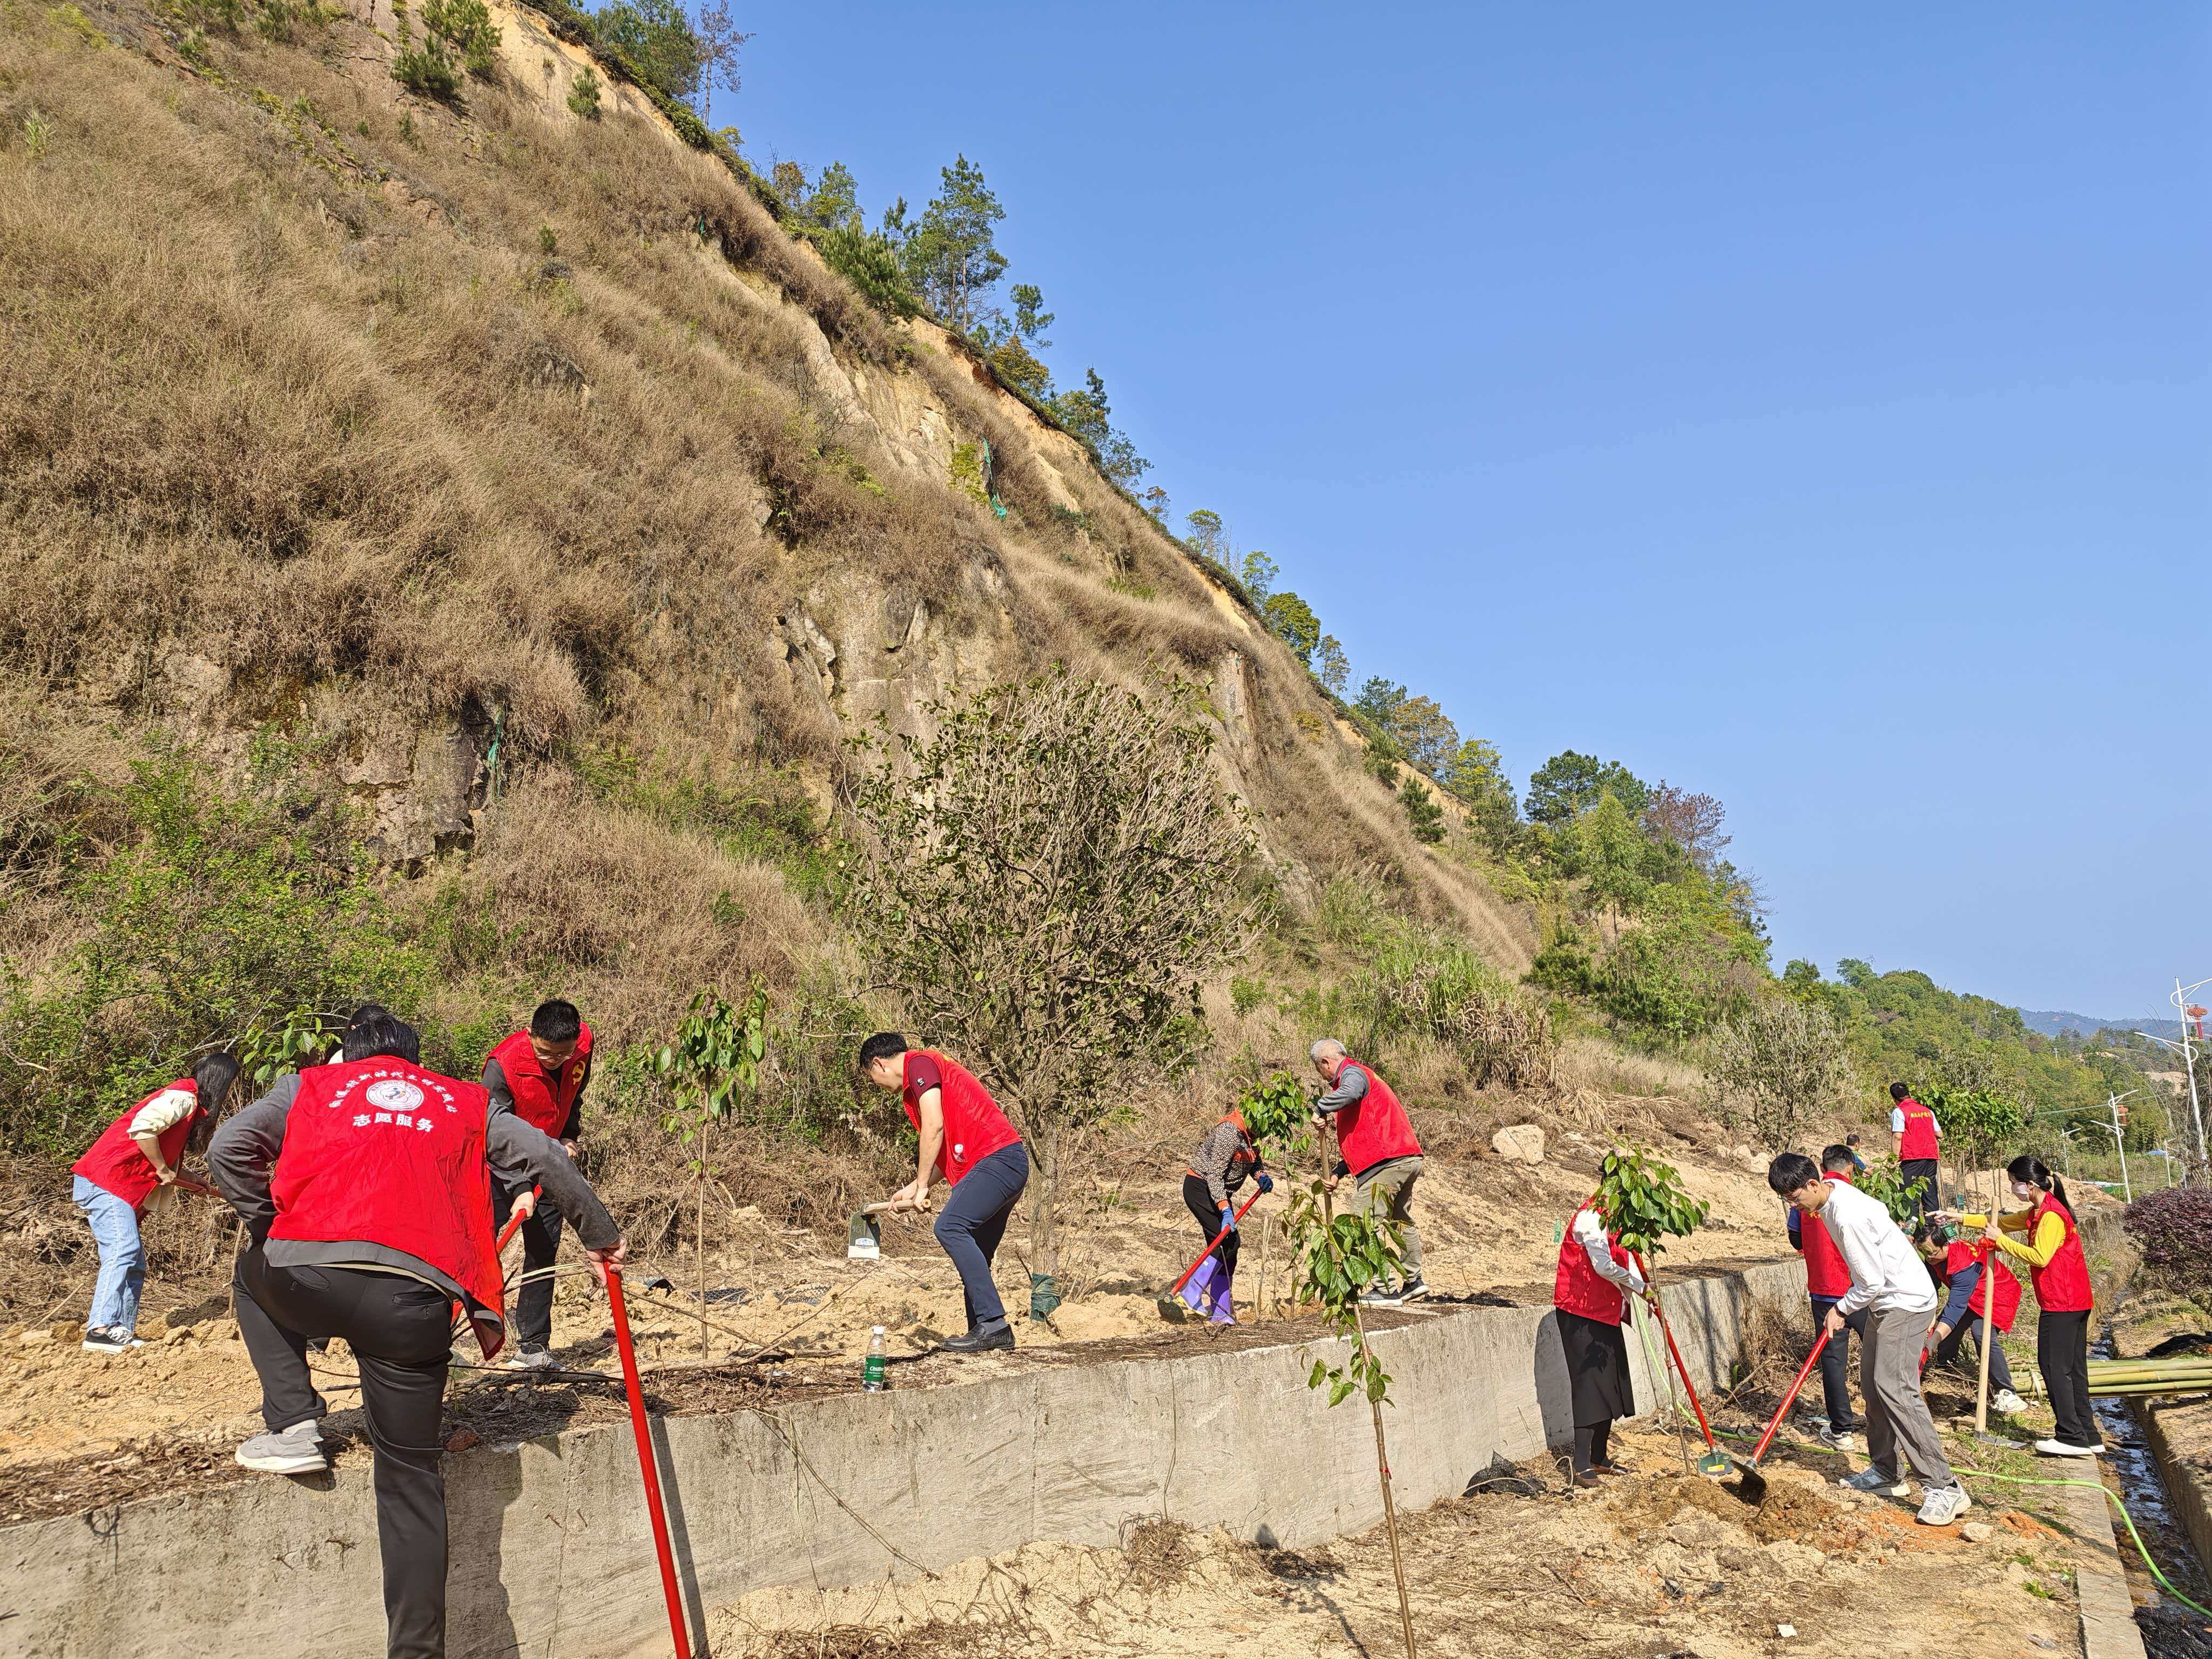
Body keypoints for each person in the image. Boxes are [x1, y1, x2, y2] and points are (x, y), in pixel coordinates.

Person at [209, 1009, 625, 1659]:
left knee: (249, 1278)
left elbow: (227, 1148)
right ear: (416, 1061)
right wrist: (599, 1235)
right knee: (408, 1478)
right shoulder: (463, 1099)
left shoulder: (309, 1085)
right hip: (413, 1302)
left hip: (304, 1277)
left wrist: (272, 1228)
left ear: (349, 1056)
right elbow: (547, 1154)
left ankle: (292, 1425)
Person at [1768, 1150, 1970, 1526]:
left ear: (1813, 1183)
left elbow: (1871, 1281)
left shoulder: (1846, 1217)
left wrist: (1840, 1309)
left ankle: (1944, 1486)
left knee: (1896, 1388)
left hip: (1906, 1302)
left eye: (1795, 1198)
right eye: (1787, 1200)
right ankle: (1886, 1471)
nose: (1794, 1206)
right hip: (1885, 1301)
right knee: (1873, 1387)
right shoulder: (1832, 1196)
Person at [859, 1033, 1029, 1354]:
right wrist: (914, 1187)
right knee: (976, 1250)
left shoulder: (920, 1064)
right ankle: (985, 1330)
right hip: (1005, 1162)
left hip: (996, 1159)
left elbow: (934, 1126)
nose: (877, 1085)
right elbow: (942, 1151)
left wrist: (923, 1184)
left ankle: (994, 1325)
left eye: (872, 1078)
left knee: (950, 1227)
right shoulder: (925, 1074)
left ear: (879, 1064)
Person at [69, 1054, 241, 1353]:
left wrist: (192, 1179)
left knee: (134, 1262)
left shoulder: (189, 1105)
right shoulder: (183, 1097)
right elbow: (144, 1128)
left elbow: (161, 1157)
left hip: (119, 1185)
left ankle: (120, 1330)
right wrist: (162, 1168)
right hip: (107, 1181)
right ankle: (100, 1328)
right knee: (123, 1250)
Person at [1938, 1156, 2100, 1458]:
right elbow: (2001, 1223)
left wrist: (2000, 1241)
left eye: (2014, 1182)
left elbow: (2040, 1256)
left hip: (2063, 1302)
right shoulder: (2038, 1211)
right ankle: (2088, 1434)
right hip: (2072, 1300)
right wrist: (1957, 1217)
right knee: (2073, 1369)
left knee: (2054, 1367)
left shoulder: (2051, 1216)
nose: (2013, 1188)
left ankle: (2071, 1436)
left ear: (2030, 1184)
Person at [482, 999, 594, 1370]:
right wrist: (519, 1187)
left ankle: (532, 1347)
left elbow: (573, 1095)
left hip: (549, 1163)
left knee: (543, 1250)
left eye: (563, 1054)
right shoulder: (502, 1067)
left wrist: (568, 1135)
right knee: (479, 1248)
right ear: (530, 1034)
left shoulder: (582, 1047)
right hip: (499, 1171)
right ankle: (446, 1337)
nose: (555, 1061)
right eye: (546, 1053)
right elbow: (492, 1134)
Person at [1309, 1038, 1427, 1304]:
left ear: (1326, 1063)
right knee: (1401, 1220)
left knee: (1362, 1221)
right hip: (1404, 1157)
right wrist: (1338, 1172)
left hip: (1386, 1162)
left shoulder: (1352, 1074)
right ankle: (1414, 1281)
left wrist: (1321, 1107)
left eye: (1320, 1070)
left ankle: (1384, 1288)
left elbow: (1352, 1091)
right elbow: (1363, 1136)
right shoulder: (1360, 1078)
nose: (1323, 1076)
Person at [1552, 1193, 1645, 1488]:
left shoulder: (1620, 1220)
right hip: (1579, 1312)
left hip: (1605, 1312)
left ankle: (1599, 1457)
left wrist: (1647, 1290)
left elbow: (1628, 1259)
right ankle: (1581, 1463)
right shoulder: (1591, 1217)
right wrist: (1642, 1288)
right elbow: (1603, 1266)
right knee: (1589, 1386)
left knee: (1611, 1382)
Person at [1786, 1143, 1867, 1449]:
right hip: (1860, 1289)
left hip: (1824, 1290)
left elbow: (1795, 1238)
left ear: (1821, 1170)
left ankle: (1841, 1429)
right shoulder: (1854, 1196)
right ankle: (1886, 1419)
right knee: (1879, 1353)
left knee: (1833, 1360)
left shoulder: (1803, 1202)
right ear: (1850, 1168)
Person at [1920, 1223, 2030, 1415]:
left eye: (1931, 1252)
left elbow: (1956, 1308)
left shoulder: (1964, 1266)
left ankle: (2007, 1392)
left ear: (1945, 1246)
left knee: (1981, 1333)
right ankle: (1946, 1368)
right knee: (1949, 1325)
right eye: (1924, 1253)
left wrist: (1934, 1340)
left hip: (1997, 1293)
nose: (1928, 1257)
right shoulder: (1938, 1257)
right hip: (1974, 1294)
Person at [1180, 1103, 1274, 1324]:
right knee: (1226, 1242)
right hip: (1200, 1188)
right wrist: (1225, 1210)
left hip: (1218, 1192)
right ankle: (1192, 1289)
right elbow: (1214, 1175)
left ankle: (1220, 1312)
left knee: (1230, 1250)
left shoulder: (1252, 1134)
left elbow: (1252, 1161)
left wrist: (1260, 1175)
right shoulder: (1229, 1132)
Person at [1890, 1083, 1943, 1219]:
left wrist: (1894, 1160)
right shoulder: (1928, 1111)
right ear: (1909, 1094)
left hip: (1911, 1159)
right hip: (1930, 1159)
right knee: (1930, 1195)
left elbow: (1897, 1137)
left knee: (1909, 1198)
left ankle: (1911, 1229)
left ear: (1894, 1099)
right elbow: (1940, 1134)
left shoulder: (1899, 1112)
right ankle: (1933, 1229)